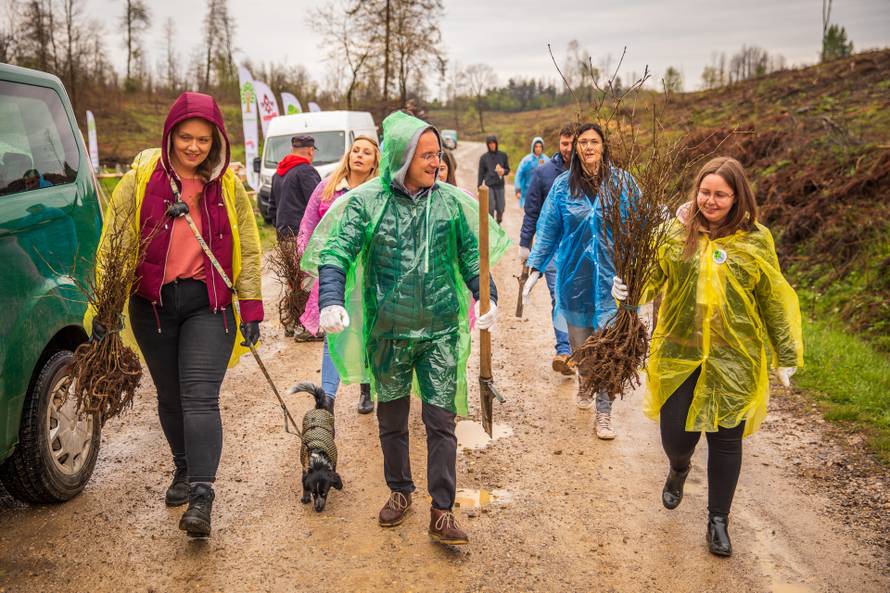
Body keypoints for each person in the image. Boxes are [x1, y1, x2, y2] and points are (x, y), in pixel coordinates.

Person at [303, 111, 510, 546]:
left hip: (439, 333)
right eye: (427, 155)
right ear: (401, 157)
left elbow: (474, 257)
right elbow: (336, 251)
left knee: (441, 422)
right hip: (390, 334)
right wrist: (331, 299)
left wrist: (484, 296)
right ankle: (399, 492)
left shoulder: (450, 203)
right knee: (392, 421)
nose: (436, 163)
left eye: (438, 155)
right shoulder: (367, 203)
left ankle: (442, 509)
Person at [612, 156, 803, 557]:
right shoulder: (674, 234)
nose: (710, 201)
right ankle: (679, 467)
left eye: (720, 195)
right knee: (676, 439)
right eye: (705, 192)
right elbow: (651, 281)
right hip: (680, 353)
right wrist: (629, 289)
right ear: (695, 191)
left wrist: (784, 354)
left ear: (737, 198)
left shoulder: (755, 240)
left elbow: (772, 298)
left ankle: (718, 521)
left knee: (726, 441)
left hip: (735, 359)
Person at [94, 91, 263, 538]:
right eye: (186, 138)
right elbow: (115, 241)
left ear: (216, 142)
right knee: (169, 396)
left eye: (204, 140)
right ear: (170, 135)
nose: (194, 147)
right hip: (153, 307)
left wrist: (251, 307)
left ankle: (202, 496)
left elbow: (247, 243)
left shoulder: (225, 186)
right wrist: (106, 307)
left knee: (199, 396)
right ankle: (184, 469)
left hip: (208, 305)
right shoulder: (140, 179)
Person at [522, 123, 639, 440]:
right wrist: (534, 269)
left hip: (611, 282)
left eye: (594, 142)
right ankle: (586, 381)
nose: (588, 147)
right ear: (575, 148)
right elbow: (547, 231)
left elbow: (642, 223)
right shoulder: (562, 186)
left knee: (608, 348)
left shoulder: (623, 184)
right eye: (583, 142)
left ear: (603, 146)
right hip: (573, 280)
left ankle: (604, 411)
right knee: (582, 347)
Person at [298, 135, 381, 415]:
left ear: (375, 162)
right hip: (334, 273)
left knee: (366, 330)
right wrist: (306, 262)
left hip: (368, 274)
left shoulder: (379, 192)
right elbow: (308, 226)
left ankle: (366, 388)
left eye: (366, 152)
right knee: (334, 332)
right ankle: (327, 400)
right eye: (355, 150)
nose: (359, 155)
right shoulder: (327, 188)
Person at [519, 124, 575, 376]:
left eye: (573, 143)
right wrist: (524, 243)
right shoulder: (544, 174)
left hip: (579, 247)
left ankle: (578, 348)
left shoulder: (590, 173)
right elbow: (532, 211)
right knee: (558, 295)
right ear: (559, 143)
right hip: (552, 247)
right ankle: (564, 350)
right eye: (564, 143)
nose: (569, 148)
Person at [269, 135, 321, 239]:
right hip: (303, 236)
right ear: (311, 151)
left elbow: (272, 208)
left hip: (282, 236)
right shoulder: (307, 171)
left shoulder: (277, 174)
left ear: (292, 149)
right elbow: (318, 203)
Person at [477, 135, 510, 223]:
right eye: (490, 144)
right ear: (487, 145)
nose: (492, 145)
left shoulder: (503, 155)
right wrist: (479, 189)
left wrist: (503, 171)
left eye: (493, 143)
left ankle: (498, 221)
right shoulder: (483, 158)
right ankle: (491, 226)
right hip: (489, 186)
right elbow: (480, 174)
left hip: (500, 185)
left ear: (496, 143)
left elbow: (508, 170)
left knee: (501, 208)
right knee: (490, 208)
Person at [514, 136, 547, 209]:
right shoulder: (526, 160)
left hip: (542, 193)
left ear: (542, 148)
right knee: (529, 216)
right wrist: (518, 190)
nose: (538, 149)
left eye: (540, 146)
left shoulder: (546, 160)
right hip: (528, 193)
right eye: (536, 146)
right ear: (533, 147)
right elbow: (519, 175)